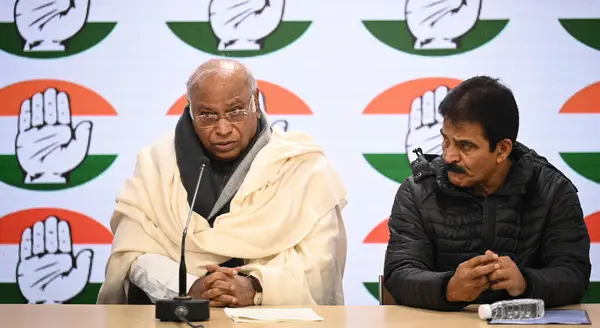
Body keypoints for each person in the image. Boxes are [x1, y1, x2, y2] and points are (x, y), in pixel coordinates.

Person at [97, 59, 347, 307]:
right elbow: (133, 252)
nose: (223, 128)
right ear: (190, 110)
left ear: (256, 101)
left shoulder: (302, 166)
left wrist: (256, 287)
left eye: (235, 111)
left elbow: (321, 261)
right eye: (207, 115)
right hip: (181, 316)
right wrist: (187, 287)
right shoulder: (158, 163)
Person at [383, 76, 591, 311]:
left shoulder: (553, 190)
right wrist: (448, 288)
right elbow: (399, 274)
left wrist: (525, 282)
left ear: (502, 150)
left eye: (465, 146)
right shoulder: (417, 191)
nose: (449, 156)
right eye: (446, 140)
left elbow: (574, 275)